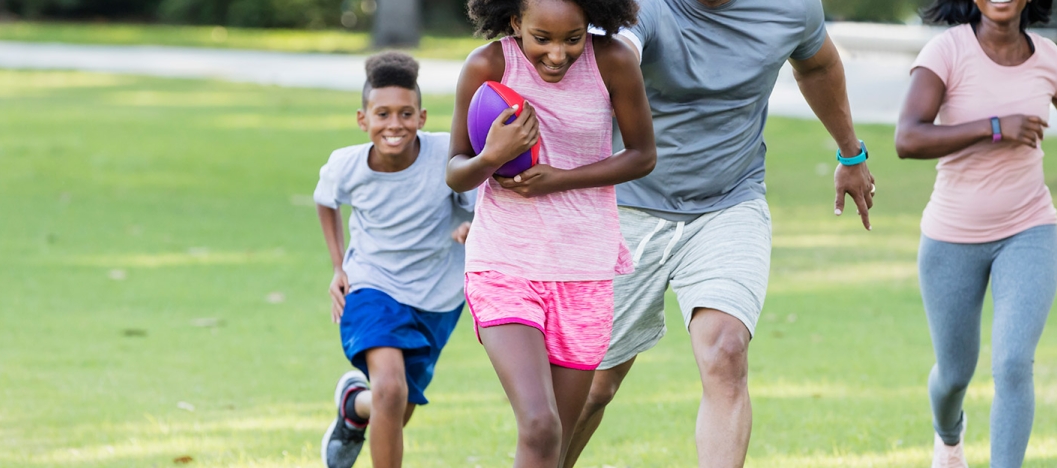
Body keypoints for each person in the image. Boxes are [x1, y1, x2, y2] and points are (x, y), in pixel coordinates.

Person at [564, 1, 877, 466]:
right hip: (623, 205)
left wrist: (850, 153)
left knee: (726, 352)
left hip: (730, 201)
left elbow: (819, 64)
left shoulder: (791, 8)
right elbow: (609, 58)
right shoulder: (640, 7)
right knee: (593, 387)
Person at [447, 0, 657, 464]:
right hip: (505, 265)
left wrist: (556, 178)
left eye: (573, 38)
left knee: (557, 445)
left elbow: (643, 155)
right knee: (540, 425)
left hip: (584, 270)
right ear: (515, 22)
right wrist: (490, 158)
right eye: (542, 39)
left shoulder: (613, 61)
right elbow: (456, 171)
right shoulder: (489, 65)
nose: (558, 54)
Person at [894, 1, 1057, 467]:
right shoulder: (946, 52)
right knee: (953, 373)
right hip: (951, 237)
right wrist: (993, 128)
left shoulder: (1050, 59)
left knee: (1011, 364)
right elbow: (907, 138)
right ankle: (948, 437)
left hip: (1029, 230)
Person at [316, 51, 477, 468]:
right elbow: (325, 202)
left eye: (406, 113)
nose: (394, 125)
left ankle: (355, 408)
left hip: (438, 295)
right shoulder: (345, 165)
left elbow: (481, 204)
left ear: (422, 117)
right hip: (372, 283)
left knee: (397, 407)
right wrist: (338, 266)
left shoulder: (446, 153)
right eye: (382, 114)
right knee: (391, 391)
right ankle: (366, 403)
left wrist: (470, 227)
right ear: (362, 118)